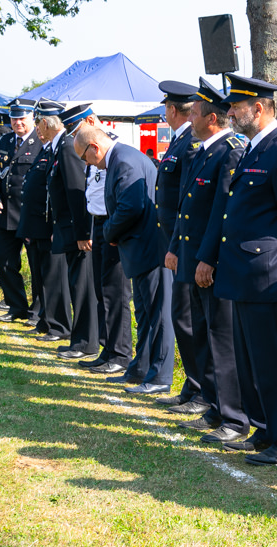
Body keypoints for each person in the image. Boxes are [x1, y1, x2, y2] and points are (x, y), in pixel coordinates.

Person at [196, 73, 277, 466]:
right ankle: (264, 429)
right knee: (249, 359)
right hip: (244, 273)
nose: (229, 112)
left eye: (236, 107)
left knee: (272, 361)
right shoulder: (253, 149)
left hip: (267, 274)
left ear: (259, 109)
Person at [166, 77, 248, 443]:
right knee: (205, 333)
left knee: (222, 338)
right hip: (194, 257)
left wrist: (208, 257)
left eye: (196, 113)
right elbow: (186, 208)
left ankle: (234, 416)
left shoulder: (229, 151)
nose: (190, 118)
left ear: (211, 117)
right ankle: (213, 405)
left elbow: (223, 212)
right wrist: (176, 248)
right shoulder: (203, 151)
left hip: (211, 262)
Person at [73, 126, 175, 394]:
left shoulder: (124, 161)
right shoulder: (119, 159)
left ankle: (160, 377)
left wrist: (108, 232)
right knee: (144, 313)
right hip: (139, 248)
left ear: (94, 146)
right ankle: (140, 369)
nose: (86, 163)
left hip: (149, 248)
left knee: (157, 315)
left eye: (85, 156)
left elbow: (131, 207)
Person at [60, 104, 132, 373]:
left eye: (77, 129)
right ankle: (108, 348)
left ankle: (121, 354)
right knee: (103, 293)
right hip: (99, 224)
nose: (74, 137)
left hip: (114, 226)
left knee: (116, 294)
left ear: (90, 121)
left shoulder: (115, 148)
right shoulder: (93, 150)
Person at [150, 81, 204, 405]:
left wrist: (174, 245)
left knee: (186, 317)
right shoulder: (180, 141)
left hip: (185, 246)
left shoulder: (189, 144)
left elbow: (186, 201)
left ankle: (199, 390)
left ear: (172, 109)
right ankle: (193, 387)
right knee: (182, 316)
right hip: (176, 245)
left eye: (165, 108)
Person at [16, 100, 73, 342]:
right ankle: (45, 320)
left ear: (47, 123)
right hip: (38, 226)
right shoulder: (49, 149)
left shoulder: (65, 148)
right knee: (41, 278)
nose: (36, 129)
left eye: (39, 123)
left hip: (50, 227)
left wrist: (56, 227)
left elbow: (67, 192)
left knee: (54, 279)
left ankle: (58, 326)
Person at [45, 101, 99, 357]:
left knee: (83, 288)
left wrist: (83, 233)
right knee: (78, 285)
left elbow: (78, 193)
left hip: (77, 230)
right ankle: (80, 339)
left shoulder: (68, 148)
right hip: (69, 228)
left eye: (73, 127)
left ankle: (85, 342)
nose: (71, 133)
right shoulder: (68, 145)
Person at [0, 98, 43, 322]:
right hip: (6, 213)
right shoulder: (5, 141)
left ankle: (37, 312)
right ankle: (16, 306)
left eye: (22, 118)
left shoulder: (41, 140)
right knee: (4, 262)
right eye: (14, 118)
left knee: (37, 267)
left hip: (31, 214)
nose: (17, 122)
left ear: (33, 118)